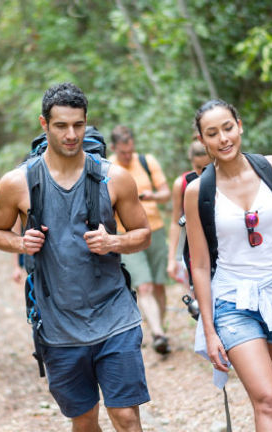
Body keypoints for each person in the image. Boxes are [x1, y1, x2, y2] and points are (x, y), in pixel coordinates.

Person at [0, 82, 151, 432]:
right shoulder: (17, 184)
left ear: (86, 121)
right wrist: (20, 244)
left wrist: (113, 242)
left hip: (114, 315)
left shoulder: (114, 178)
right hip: (58, 325)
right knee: (85, 419)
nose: (71, 134)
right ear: (44, 125)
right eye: (61, 126)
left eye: (78, 124)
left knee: (125, 417)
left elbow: (143, 234)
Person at [184, 99, 272, 432]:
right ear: (202, 140)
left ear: (240, 125)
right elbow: (201, 264)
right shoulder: (197, 192)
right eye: (212, 133)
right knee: (267, 399)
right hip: (233, 304)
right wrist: (209, 330)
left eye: (227, 128)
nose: (223, 139)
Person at [109, 126, 172, 354]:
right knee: (143, 285)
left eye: (131, 151)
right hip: (125, 234)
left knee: (158, 284)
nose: (128, 156)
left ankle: (159, 327)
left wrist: (150, 196)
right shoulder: (108, 167)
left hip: (154, 229)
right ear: (114, 148)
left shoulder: (147, 161)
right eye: (123, 152)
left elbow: (166, 194)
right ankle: (158, 333)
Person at [166, 138, 211, 287]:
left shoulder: (221, 181)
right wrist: (172, 258)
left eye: (207, 167)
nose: (203, 173)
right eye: (198, 167)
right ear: (191, 162)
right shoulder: (182, 183)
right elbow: (175, 222)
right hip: (192, 249)